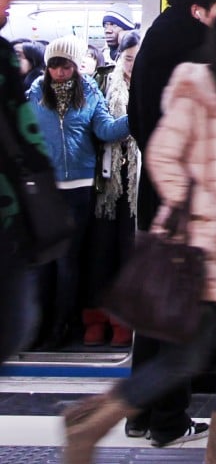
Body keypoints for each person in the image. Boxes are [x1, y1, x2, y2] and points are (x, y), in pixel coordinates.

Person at [62, 15, 216, 464]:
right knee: (202, 355)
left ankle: (95, 424)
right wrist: (208, 205)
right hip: (199, 248)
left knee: (215, 353)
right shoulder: (196, 90)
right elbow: (162, 157)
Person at [124, 0, 216, 446]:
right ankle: (169, 419)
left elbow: (135, 118)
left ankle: (140, 412)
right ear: (198, 10)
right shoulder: (192, 50)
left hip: (155, 187)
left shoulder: (152, 44)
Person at [24, 36, 130, 350]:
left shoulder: (90, 92)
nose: (59, 72)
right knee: (43, 263)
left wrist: (137, 114)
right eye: (54, 65)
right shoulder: (34, 94)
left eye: (66, 65)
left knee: (67, 262)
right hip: (44, 189)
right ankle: (38, 328)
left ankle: (62, 327)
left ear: (75, 66)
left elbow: (106, 130)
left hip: (79, 188)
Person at [0, 0, 46, 464]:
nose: (8, 10)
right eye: (5, 0)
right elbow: (24, 132)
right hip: (7, 216)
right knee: (10, 325)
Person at [81, 31, 142, 347]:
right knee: (100, 253)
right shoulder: (104, 83)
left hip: (137, 182)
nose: (132, 65)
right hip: (105, 181)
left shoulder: (153, 84)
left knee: (129, 254)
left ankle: (123, 322)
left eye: (137, 59)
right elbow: (97, 127)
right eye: (128, 58)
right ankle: (96, 319)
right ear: (119, 58)